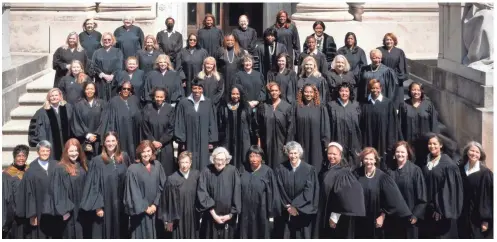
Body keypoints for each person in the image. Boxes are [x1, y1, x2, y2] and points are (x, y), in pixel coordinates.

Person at [80, 132, 131, 239]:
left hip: (121, 205)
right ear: (104, 143)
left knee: (122, 231)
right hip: (105, 205)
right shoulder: (97, 161)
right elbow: (93, 185)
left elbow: (129, 180)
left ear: (117, 142)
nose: (110, 143)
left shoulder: (124, 157)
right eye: (108, 141)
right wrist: (98, 206)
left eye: (113, 141)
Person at [353, 147, 412, 239]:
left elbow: (392, 200)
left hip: (376, 219)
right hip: (359, 219)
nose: (369, 161)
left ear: (375, 160)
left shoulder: (382, 177)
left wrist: (382, 215)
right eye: (366, 159)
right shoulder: (356, 174)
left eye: (371, 159)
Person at [316, 142, 365, 239]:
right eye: (330, 153)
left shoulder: (344, 172)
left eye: (334, 154)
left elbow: (344, 197)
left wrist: (334, 216)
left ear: (340, 155)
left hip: (337, 218)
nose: (331, 156)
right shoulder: (326, 170)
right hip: (324, 214)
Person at [419, 133, 463, 239]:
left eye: (435, 144)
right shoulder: (427, 162)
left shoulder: (449, 165)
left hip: (441, 213)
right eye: (430, 144)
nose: (432, 146)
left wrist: (440, 209)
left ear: (441, 145)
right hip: (428, 211)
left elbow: (450, 190)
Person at [273, 141, 319, 239]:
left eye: (295, 153)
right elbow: (279, 189)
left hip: (303, 211)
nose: (293, 156)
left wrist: (296, 206)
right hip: (286, 211)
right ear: (287, 154)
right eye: (291, 153)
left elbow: (309, 190)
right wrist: (288, 207)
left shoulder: (309, 169)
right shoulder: (281, 169)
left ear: (300, 154)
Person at [124, 140, 167, 239]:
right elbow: (133, 191)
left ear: (152, 151)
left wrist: (155, 204)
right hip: (140, 213)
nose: (146, 154)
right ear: (139, 153)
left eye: (148, 151)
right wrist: (145, 207)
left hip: (156, 211)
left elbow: (163, 186)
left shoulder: (157, 165)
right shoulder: (132, 169)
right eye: (143, 151)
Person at [15, 141, 58, 238]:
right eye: (43, 151)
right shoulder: (31, 170)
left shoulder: (56, 165)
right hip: (38, 210)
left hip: (54, 210)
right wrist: (32, 214)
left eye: (47, 151)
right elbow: (29, 194)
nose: (45, 153)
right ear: (38, 152)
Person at [384, 141, 427, 239]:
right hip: (392, 218)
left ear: (408, 153)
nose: (400, 154)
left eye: (403, 152)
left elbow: (422, 196)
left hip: (409, 218)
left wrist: (415, 215)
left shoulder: (415, 171)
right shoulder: (389, 170)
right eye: (398, 152)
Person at [196, 147, 241, 239]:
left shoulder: (233, 171)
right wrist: (214, 215)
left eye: (222, 159)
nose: (220, 162)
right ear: (213, 159)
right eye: (217, 159)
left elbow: (237, 193)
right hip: (210, 216)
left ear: (227, 160)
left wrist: (230, 215)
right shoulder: (206, 171)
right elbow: (202, 192)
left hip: (228, 218)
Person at [174, 80, 218, 171]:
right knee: (189, 160)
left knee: (204, 162)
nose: (197, 91)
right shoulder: (184, 103)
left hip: (204, 140)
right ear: (191, 89)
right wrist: (181, 140)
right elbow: (180, 122)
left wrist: (211, 140)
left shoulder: (208, 103)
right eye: (194, 88)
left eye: (199, 88)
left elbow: (212, 122)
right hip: (188, 140)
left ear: (203, 89)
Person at [239, 146, 280, 238]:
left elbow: (274, 193)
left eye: (257, 156)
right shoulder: (243, 170)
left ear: (261, 157)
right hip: (245, 211)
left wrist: (271, 213)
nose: (254, 159)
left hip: (262, 211)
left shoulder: (268, 172)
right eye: (251, 156)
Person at [359, 79, 402, 167]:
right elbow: (361, 125)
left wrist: (390, 144)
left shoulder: (388, 103)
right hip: (368, 139)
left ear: (381, 88)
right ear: (369, 89)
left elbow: (392, 125)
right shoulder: (363, 103)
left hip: (383, 141)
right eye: (372, 88)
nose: (375, 90)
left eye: (377, 88)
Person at [51, 138, 88, 239]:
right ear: (66, 152)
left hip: (81, 210)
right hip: (69, 211)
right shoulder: (60, 168)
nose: (74, 153)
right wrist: (64, 211)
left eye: (76, 150)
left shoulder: (82, 166)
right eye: (71, 151)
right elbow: (57, 191)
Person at [159, 151, 201, 239]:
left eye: (186, 162)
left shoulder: (196, 176)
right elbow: (166, 201)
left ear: (190, 163)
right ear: (178, 162)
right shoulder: (171, 179)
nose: (184, 165)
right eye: (182, 162)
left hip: (193, 216)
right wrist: (167, 220)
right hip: (178, 217)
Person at [457, 141, 493, 239]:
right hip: (461, 214)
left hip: (477, 216)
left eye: (477, 152)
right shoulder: (459, 170)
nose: (474, 154)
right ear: (467, 152)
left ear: (481, 155)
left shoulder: (485, 174)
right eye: (472, 151)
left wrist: (485, 220)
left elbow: (488, 198)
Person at [256, 82, 294, 169]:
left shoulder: (287, 107)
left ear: (280, 92)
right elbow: (259, 125)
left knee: (281, 165)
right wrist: (259, 140)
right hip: (267, 141)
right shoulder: (263, 106)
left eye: (276, 90)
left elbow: (290, 127)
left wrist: (287, 144)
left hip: (282, 142)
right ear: (269, 92)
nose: (274, 92)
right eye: (272, 90)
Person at [293, 83, 330, 173]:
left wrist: (326, 144)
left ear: (314, 93)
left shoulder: (320, 107)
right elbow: (293, 126)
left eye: (311, 92)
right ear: (302, 93)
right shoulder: (297, 107)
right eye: (306, 92)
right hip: (301, 142)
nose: (308, 94)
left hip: (316, 143)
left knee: (316, 166)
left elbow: (325, 126)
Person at [28, 88, 73, 161]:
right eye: (52, 96)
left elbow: (74, 125)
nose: (54, 97)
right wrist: (43, 144)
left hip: (67, 142)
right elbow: (38, 130)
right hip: (51, 143)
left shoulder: (68, 108)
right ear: (48, 98)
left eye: (56, 95)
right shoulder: (42, 112)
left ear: (60, 96)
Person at [101, 81, 141, 161]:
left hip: (133, 133)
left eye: (128, 89)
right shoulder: (114, 102)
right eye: (124, 88)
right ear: (120, 89)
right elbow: (110, 119)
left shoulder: (134, 100)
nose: (126, 90)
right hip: (119, 132)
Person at [217, 85, 254, 171]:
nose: (235, 96)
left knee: (243, 161)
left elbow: (250, 124)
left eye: (237, 94)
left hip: (243, 139)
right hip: (228, 139)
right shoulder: (224, 107)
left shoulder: (246, 107)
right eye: (233, 94)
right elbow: (220, 124)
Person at [141, 87, 176, 176]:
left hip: (165, 145)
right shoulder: (148, 108)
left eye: (161, 97)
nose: (159, 99)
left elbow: (171, 127)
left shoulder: (170, 109)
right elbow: (145, 126)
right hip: (151, 144)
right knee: (152, 169)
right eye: (157, 97)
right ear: (154, 97)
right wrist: (152, 141)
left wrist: (161, 141)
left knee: (166, 169)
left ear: (164, 97)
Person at [326, 82, 362, 168]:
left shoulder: (355, 105)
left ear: (350, 93)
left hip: (353, 142)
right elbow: (327, 126)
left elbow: (360, 125)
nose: (344, 93)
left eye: (346, 91)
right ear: (338, 92)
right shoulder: (331, 106)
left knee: (353, 165)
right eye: (342, 91)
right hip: (337, 139)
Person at [71, 81, 106, 160]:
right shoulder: (78, 105)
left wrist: (97, 134)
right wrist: (87, 135)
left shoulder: (102, 104)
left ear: (95, 90)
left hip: (99, 140)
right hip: (84, 140)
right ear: (84, 90)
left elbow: (104, 120)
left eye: (92, 89)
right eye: (87, 89)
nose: (89, 91)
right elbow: (76, 122)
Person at [2, 145, 30, 239]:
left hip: (28, 215)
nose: (21, 158)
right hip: (14, 218)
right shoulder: (7, 174)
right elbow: (6, 198)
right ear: (14, 157)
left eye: (24, 156)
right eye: (18, 156)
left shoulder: (30, 171)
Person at [399, 82, 439, 146]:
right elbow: (400, 124)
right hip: (409, 141)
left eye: (418, 90)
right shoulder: (404, 105)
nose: (416, 92)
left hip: (425, 142)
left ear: (422, 91)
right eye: (413, 90)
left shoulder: (428, 105)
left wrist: (433, 139)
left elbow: (434, 123)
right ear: (410, 91)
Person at [90, 32, 124, 101]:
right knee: (101, 100)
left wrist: (112, 75)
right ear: (102, 40)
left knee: (113, 100)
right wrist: (103, 75)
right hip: (101, 81)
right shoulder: (97, 52)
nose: (107, 41)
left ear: (112, 40)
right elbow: (93, 65)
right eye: (105, 39)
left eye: (109, 39)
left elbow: (119, 65)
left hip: (114, 80)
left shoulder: (118, 51)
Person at [377, 33, 409, 106]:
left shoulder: (399, 52)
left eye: (391, 39)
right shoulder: (379, 50)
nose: (389, 41)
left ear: (394, 41)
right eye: (387, 40)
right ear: (384, 41)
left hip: (396, 79)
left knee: (396, 101)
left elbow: (402, 66)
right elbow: (376, 63)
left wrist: (396, 77)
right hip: (382, 78)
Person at [214, 34, 245, 98]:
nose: (230, 42)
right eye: (228, 40)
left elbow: (243, 65)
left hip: (236, 78)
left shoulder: (240, 51)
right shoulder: (220, 50)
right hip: (224, 78)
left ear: (235, 41)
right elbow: (215, 64)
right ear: (225, 41)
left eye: (232, 40)